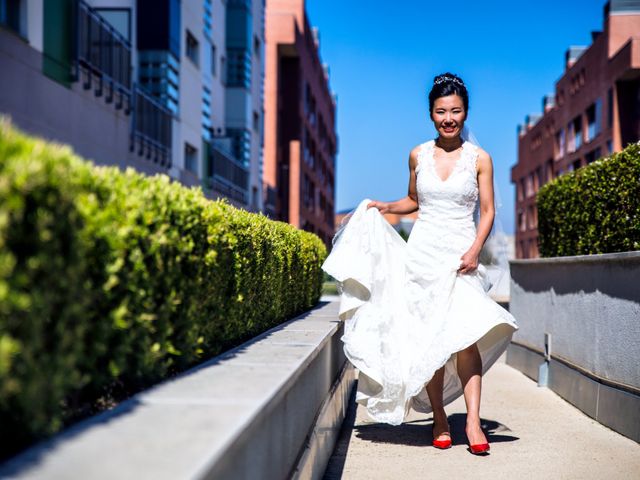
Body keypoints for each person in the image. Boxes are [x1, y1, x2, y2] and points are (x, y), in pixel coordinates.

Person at [322, 72, 518, 455]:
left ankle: (474, 421)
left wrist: (476, 249)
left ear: (465, 113)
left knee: (466, 339)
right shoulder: (417, 154)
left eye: (456, 111)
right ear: (431, 114)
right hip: (423, 256)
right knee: (429, 340)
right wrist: (385, 206)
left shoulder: (481, 159)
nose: (449, 118)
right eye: (441, 111)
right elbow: (414, 201)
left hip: (462, 257)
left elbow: (490, 211)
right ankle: (441, 418)